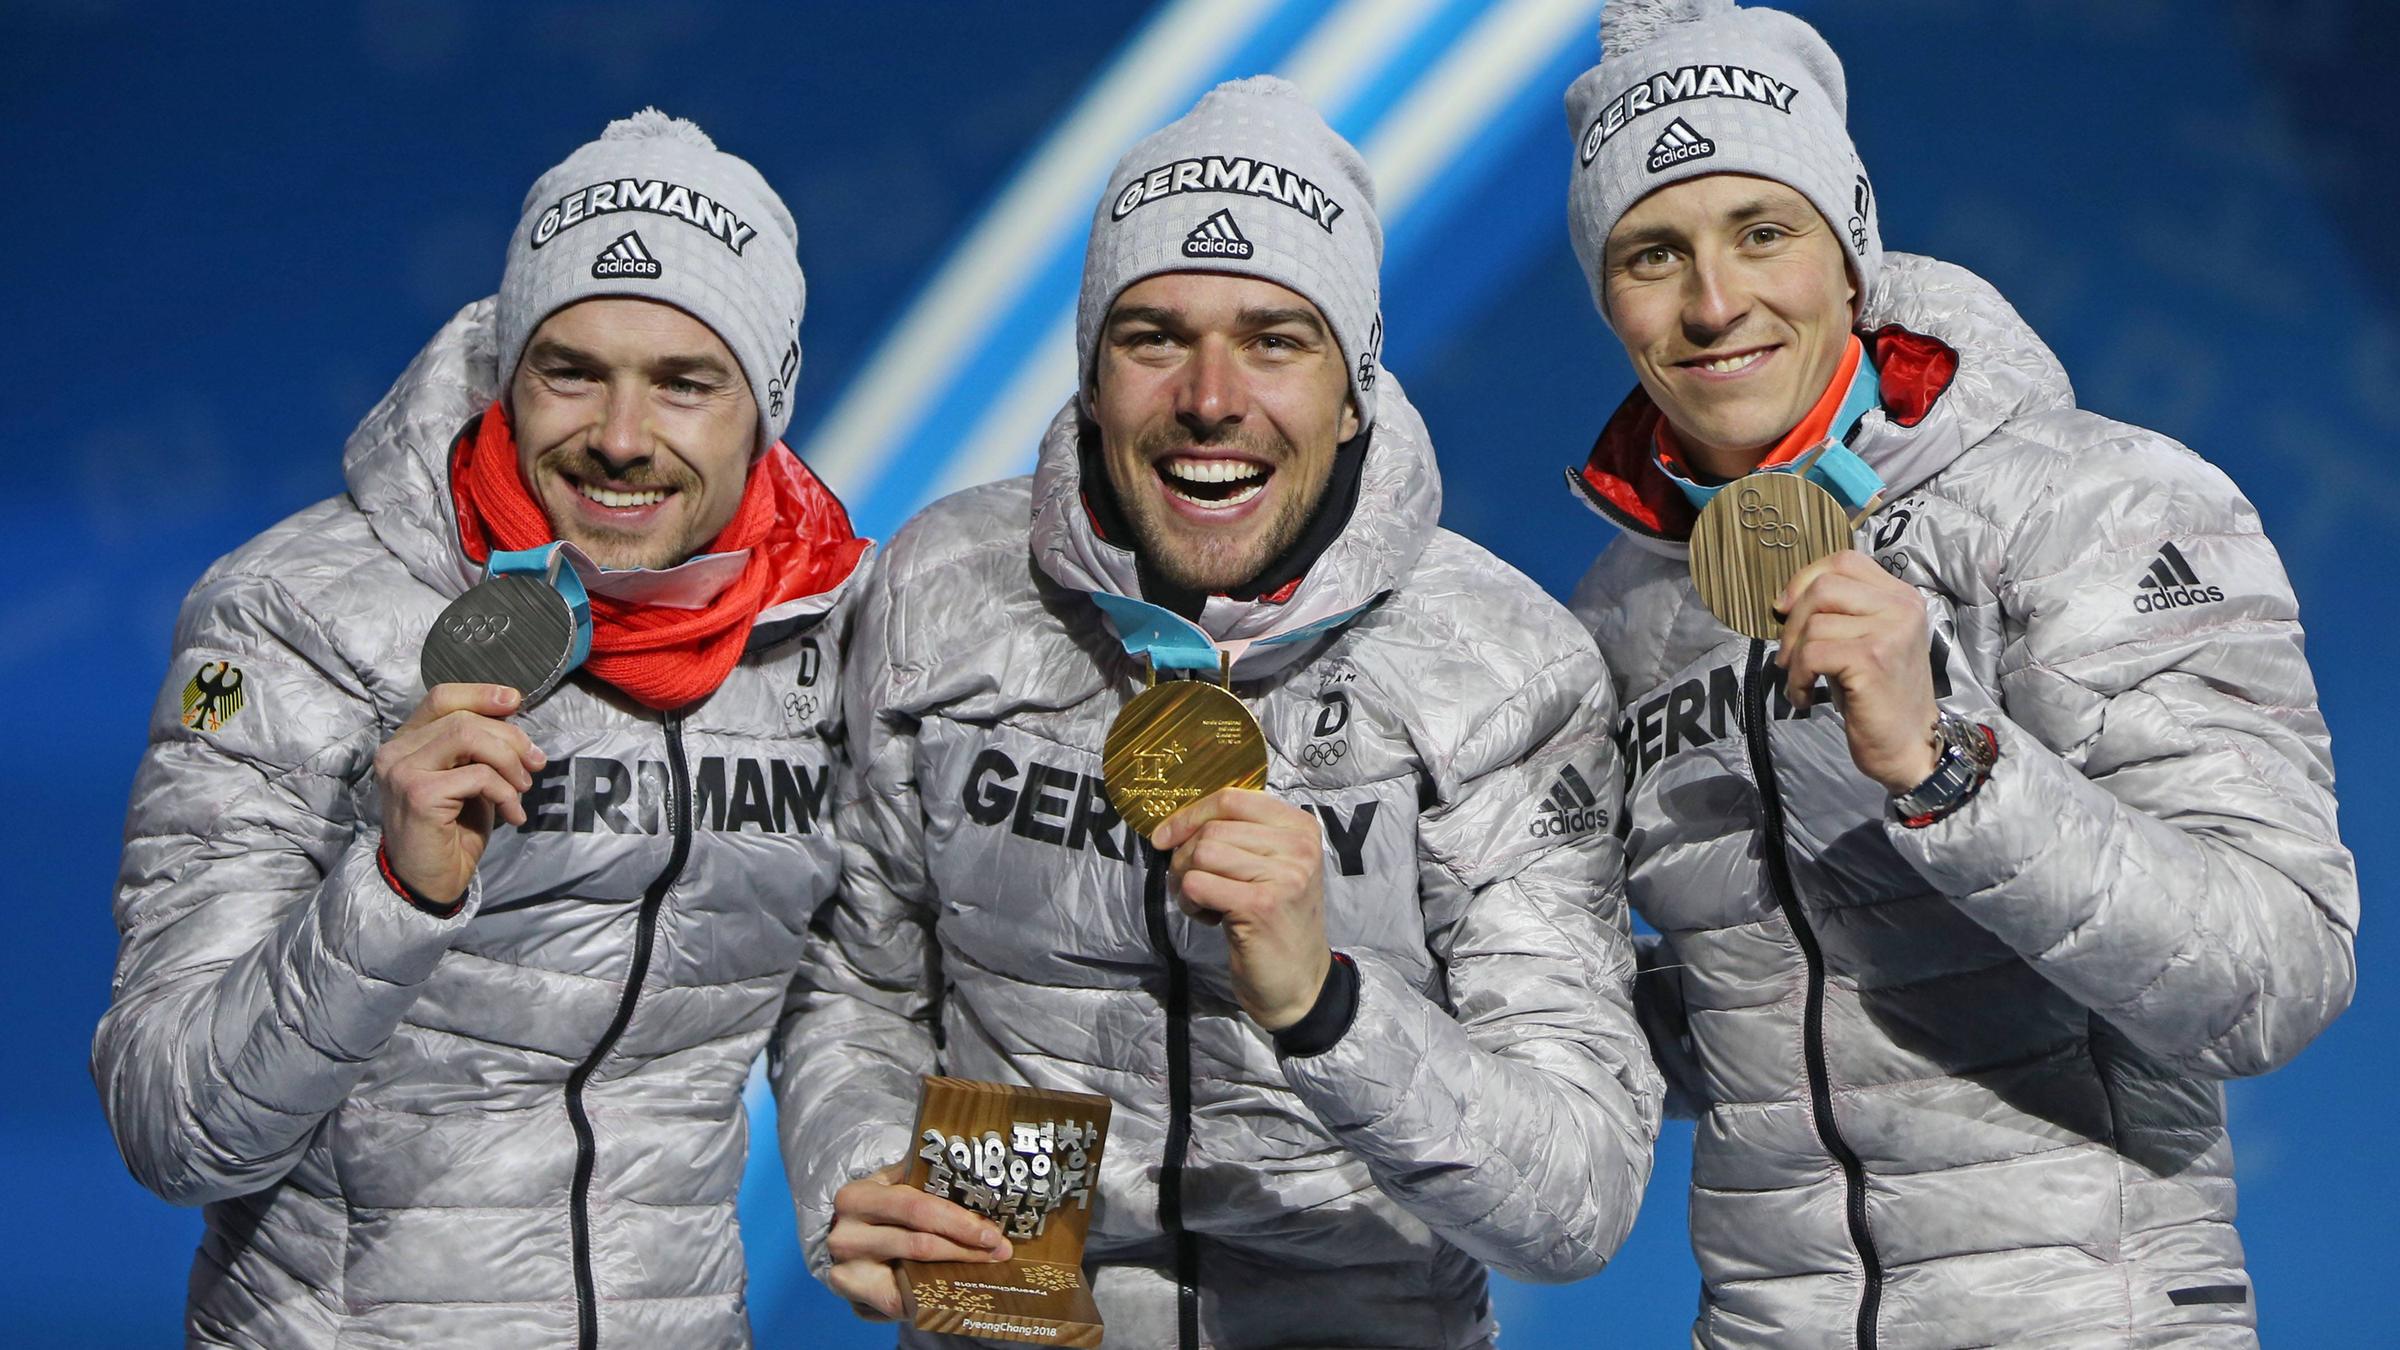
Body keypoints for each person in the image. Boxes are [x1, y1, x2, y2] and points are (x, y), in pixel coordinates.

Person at [778, 76, 1660, 1348]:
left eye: (1273, 339)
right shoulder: (945, 588)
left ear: (1353, 390)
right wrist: (867, 1170)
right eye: (1153, 337)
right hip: (1016, 1308)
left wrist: (1327, 1003)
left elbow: (1575, 1203)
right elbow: (861, 978)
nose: (1208, 396)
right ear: (1090, 377)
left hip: (1356, 1315)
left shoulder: (1499, 666)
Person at [1557, 2, 2359, 1345]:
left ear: (1852, 250)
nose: (1713, 302)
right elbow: (1746, 1016)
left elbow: (2275, 973)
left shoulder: (2097, 500)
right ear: (1609, 298)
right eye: (1653, 253)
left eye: (1764, 231)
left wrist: (1953, 760)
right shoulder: (1629, 609)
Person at [93, 110, 869, 1349]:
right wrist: (389, 892)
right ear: (510, 367)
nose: (620, 438)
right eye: (572, 370)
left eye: (684, 382)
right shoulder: (292, 616)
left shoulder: (826, 630)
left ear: (764, 404)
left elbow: (855, 978)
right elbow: (174, 1129)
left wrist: (860, 1174)